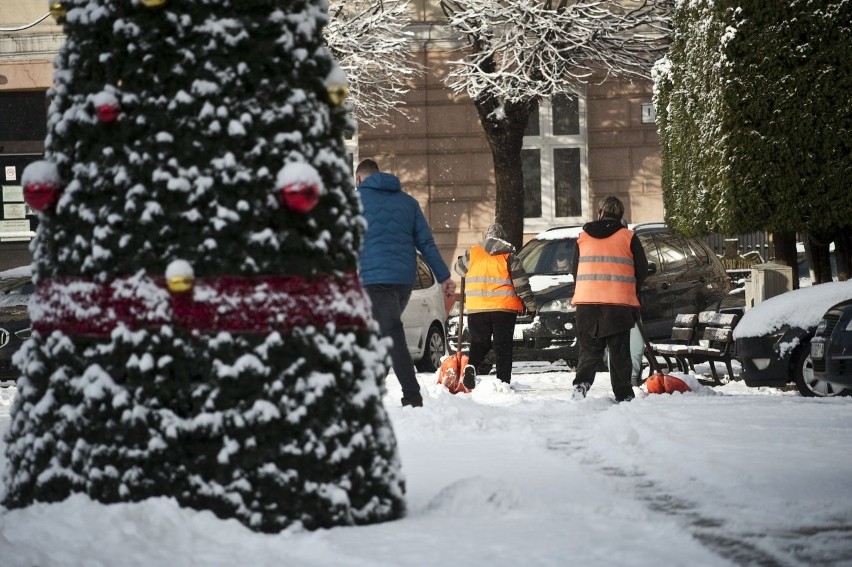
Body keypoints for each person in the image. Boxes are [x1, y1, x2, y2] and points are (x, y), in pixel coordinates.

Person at [356, 159, 456, 408]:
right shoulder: (408, 202)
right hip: (404, 280)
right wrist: (444, 276)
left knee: (390, 332)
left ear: (358, 179)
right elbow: (426, 244)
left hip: (375, 279)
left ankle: (412, 395)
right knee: (383, 332)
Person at [570, 196, 648, 403]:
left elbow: (574, 270)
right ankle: (624, 395)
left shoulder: (583, 237)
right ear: (621, 216)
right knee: (619, 352)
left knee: (589, 350)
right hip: (618, 306)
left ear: (600, 213)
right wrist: (633, 290)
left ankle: (581, 386)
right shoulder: (628, 237)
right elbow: (642, 270)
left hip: (587, 305)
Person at [454, 223, 536, 388]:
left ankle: (471, 366)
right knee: (503, 346)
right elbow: (521, 284)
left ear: (486, 237)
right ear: (503, 238)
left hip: (477, 309)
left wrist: (464, 259)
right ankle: (503, 381)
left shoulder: (473, 253)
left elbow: (459, 269)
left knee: (479, 342)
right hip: (503, 310)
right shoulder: (509, 255)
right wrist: (530, 304)